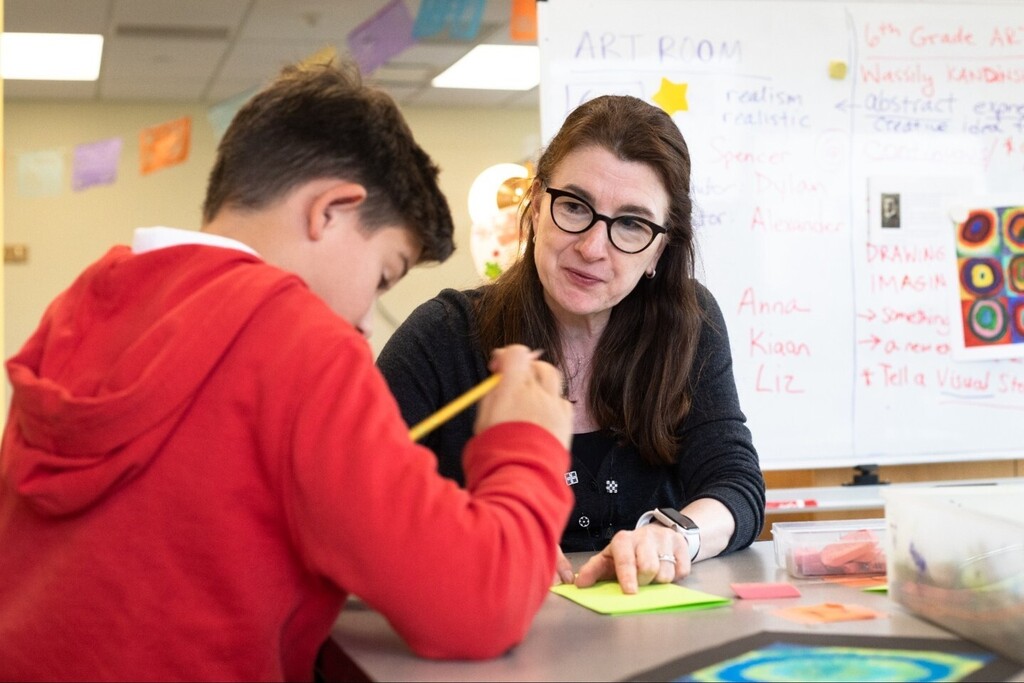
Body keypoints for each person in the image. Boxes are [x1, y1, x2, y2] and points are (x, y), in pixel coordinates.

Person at [0, 60, 574, 682]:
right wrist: (526, 445)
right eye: (382, 275)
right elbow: (477, 605)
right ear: (330, 210)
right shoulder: (304, 344)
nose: (364, 322)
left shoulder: (83, 304)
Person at [377, 94, 765, 595]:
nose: (591, 247)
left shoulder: (690, 323)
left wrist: (674, 537)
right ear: (537, 207)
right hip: (485, 636)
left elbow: (735, 485)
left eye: (631, 223)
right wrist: (480, 541)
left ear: (658, 251)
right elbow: (359, 501)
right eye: (575, 207)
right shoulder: (443, 336)